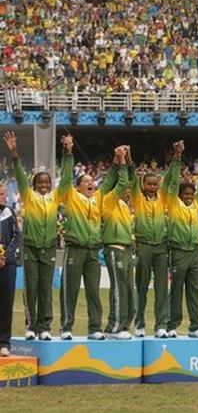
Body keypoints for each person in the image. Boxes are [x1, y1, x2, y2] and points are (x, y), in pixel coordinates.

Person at [59, 135, 117, 340]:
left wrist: (118, 160)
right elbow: (65, 177)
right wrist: (68, 153)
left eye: (92, 181)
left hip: (93, 251)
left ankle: (94, 328)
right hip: (75, 249)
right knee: (70, 290)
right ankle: (66, 328)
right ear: (78, 187)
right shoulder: (72, 197)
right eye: (86, 182)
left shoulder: (98, 199)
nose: (91, 184)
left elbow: (109, 180)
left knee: (93, 291)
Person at [4, 131, 60, 341]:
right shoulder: (29, 196)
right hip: (30, 247)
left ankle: (45, 326)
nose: (44, 185)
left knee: (46, 289)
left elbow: (64, 186)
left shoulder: (55, 199)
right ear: (34, 184)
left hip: (49, 248)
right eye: (40, 182)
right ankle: (31, 326)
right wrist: (15, 154)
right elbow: (19, 175)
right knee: (31, 288)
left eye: (47, 183)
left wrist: (69, 152)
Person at [130, 143, 178, 339]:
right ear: (143, 185)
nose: (152, 187)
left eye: (154, 184)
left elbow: (173, 179)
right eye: (148, 184)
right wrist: (128, 158)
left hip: (161, 247)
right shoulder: (137, 198)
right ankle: (139, 324)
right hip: (143, 247)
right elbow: (132, 179)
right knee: (141, 287)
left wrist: (176, 155)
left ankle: (161, 325)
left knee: (161, 288)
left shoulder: (163, 198)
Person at [165, 141, 198, 338]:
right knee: (176, 289)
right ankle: (172, 325)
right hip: (179, 251)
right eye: (186, 194)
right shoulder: (173, 203)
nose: (189, 196)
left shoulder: (196, 205)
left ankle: (196, 326)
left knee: (194, 291)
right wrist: (177, 156)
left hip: (195, 252)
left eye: (191, 194)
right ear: (179, 195)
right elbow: (172, 182)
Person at [101, 146, 134, 339]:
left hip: (127, 250)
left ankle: (124, 325)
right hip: (114, 249)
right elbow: (122, 183)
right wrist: (120, 160)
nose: (127, 191)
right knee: (118, 288)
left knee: (129, 290)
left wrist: (128, 159)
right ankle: (113, 327)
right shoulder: (108, 200)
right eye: (125, 190)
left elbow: (127, 181)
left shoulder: (124, 206)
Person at [0, 182, 21, 357]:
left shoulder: (9, 212)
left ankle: (4, 343)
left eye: (4, 193)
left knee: (6, 303)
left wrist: (5, 256)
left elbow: (16, 237)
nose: (4, 197)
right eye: (1, 194)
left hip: (8, 265)